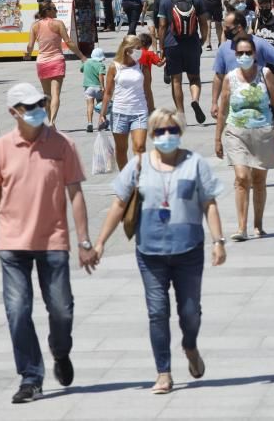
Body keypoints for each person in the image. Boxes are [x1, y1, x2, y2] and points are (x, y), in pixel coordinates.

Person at [92, 108, 227, 394]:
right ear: (151, 135)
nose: (166, 136)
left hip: (188, 251)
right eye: (160, 132)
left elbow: (209, 203)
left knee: (190, 313)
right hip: (150, 252)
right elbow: (118, 203)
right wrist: (101, 241)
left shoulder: (195, 164)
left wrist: (218, 241)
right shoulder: (138, 165)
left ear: (180, 132)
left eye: (172, 131)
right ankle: (163, 372)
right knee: (157, 312)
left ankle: (189, 346)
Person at [0, 83, 97, 404]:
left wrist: (84, 241)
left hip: (54, 241)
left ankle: (60, 350)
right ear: (14, 113)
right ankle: (31, 377)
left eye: (41, 102)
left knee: (62, 309)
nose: (38, 108)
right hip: (12, 244)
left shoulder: (62, 144)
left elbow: (76, 194)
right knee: (17, 310)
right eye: (29, 106)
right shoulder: (0, 149)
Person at [215, 35, 274, 241]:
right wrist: (217, 139)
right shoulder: (230, 78)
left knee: (259, 180)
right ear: (235, 54)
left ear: (255, 54)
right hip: (236, 132)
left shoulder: (265, 74)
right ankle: (241, 227)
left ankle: (258, 224)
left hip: (263, 131)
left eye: (248, 52)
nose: (244, 56)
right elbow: (222, 110)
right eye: (240, 53)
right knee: (241, 178)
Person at [210, 11, 274, 118]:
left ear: (239, 28)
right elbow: (218, 77)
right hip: (235, 108)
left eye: (227, 27)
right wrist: (214, 103)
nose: (225, 30)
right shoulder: (224, 48)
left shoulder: (259, 43)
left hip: (260, 106)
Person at [156, 0, 209, 125]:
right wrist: (203, 39)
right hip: (192, 42)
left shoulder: (166, 0)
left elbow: (162, 25)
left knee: (176, 80)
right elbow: (204, 21)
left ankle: (180, 113)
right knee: (194, 78)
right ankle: (195, 100)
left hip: (172, 43)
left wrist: (161, 47)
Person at [25, 0, 87, 126]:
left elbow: (30, 45)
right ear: (47, 11)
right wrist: (81, 56)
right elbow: (68, 42)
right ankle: (52, 120)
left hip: (42, 62)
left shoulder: (35, 26)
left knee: (47, 95)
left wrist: (28, 54)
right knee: (55, 94)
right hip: (57, 61)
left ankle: (50, 122)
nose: (56, 11)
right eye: (54, 8)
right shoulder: (58, 24)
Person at [100, 35, 154, 170]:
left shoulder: (142, 66)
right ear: (127, 50)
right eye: (137, 48)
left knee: (140, 147)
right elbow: (108, 92)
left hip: (140, 112)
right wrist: (102, 113)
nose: (140, 51)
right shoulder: (114, 67)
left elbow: (148, 90)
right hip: (119, 113)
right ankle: (126, 179)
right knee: (121, 149)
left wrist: (152, 111)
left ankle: (139, 179)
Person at [81, 47, 106, 133]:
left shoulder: (86, 62)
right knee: (101, 105)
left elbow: (81, 70)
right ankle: (103, 122)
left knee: (89, 105)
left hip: (88, 88)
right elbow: (101, 76)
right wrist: (103, 87)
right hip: (98, 88)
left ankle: (90, 123)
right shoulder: (101, 65)